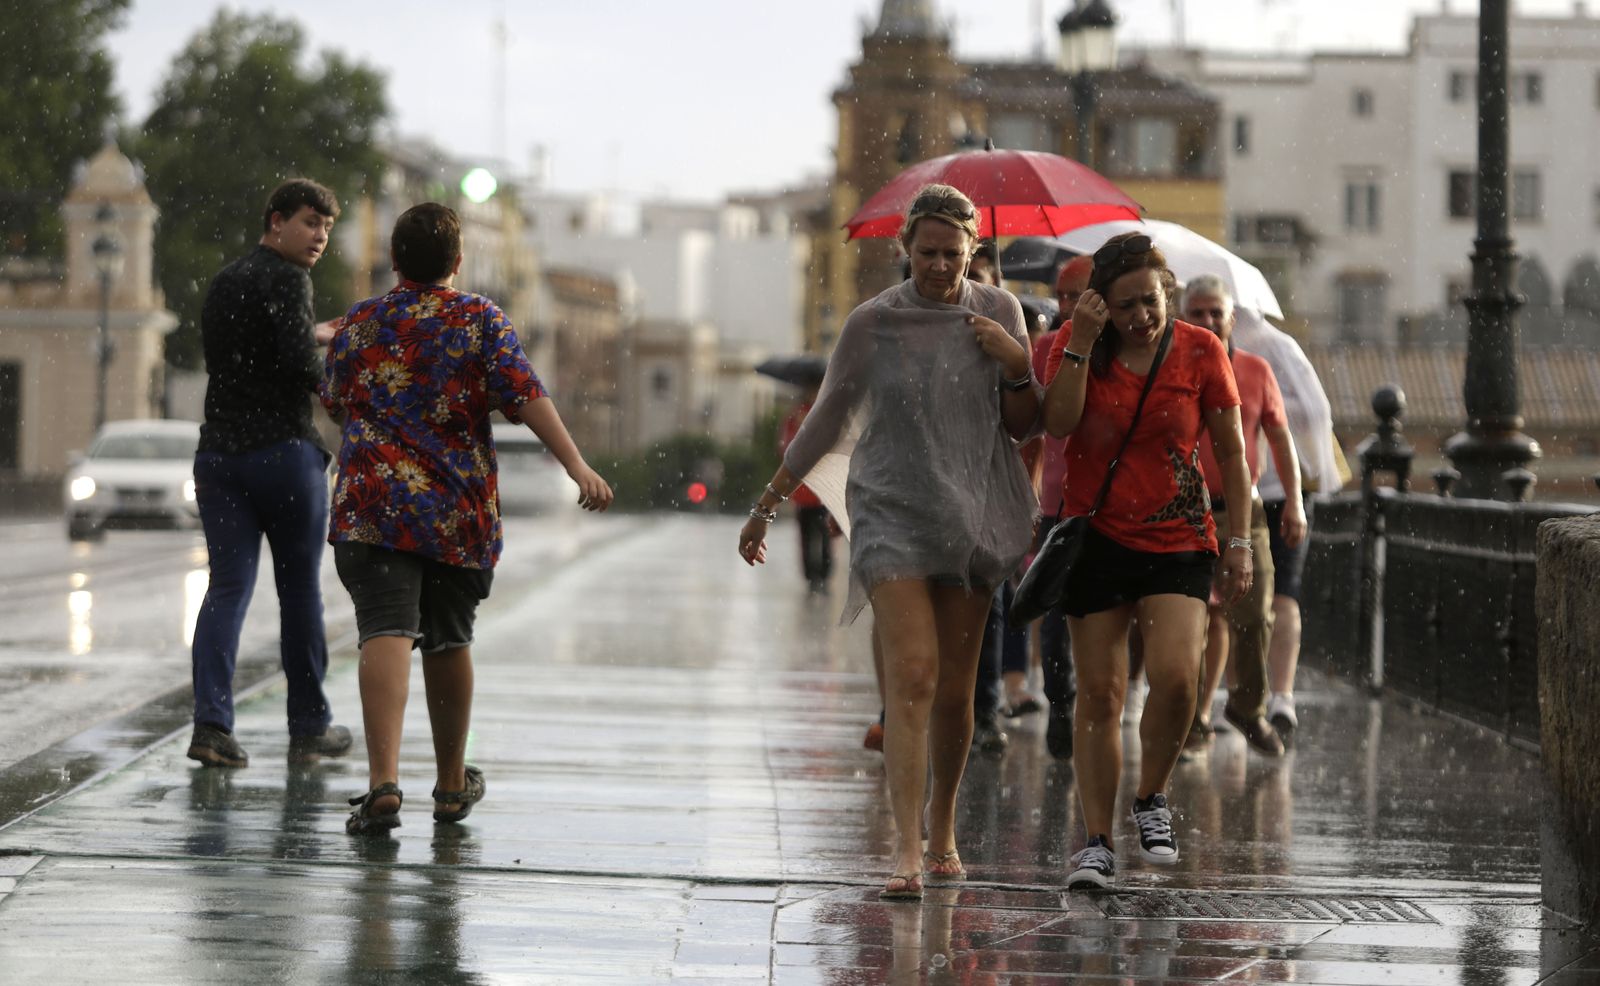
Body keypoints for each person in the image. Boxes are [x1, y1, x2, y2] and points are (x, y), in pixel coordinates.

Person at [739, 184, 1040, 900]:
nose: (939, 266)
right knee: (912, 674)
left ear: (975, 251)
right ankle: (905, 847)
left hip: (972, 509)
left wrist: (1015, 360)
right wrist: (768, 503)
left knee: (958, 689)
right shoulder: (871, 323)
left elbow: (1030, 424)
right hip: (890, 509)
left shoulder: (1000, 311)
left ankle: (942, 828)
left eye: (952, 253)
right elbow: (825, 418)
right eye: (926, 252)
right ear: (903, 249)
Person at [324, 203, 613, 834]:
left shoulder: (361, 322)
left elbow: (336, 400)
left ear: (394, 259)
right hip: (454, 508)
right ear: (458, 262)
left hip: (372, 502)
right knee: (449, 637)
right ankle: (452, 784)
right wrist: (576, 464)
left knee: (384, 631)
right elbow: (526, 394)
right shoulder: (480, 318)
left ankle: (383, 782)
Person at [1042, 232, 1254, 890]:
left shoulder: (1200, 349)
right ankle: (1097, 842)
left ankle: (1151, 797)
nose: (1143, 315)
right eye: (1126, 304)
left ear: (1169, 293)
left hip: (1178, 536)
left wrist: (1241, 539)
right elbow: (1057, 423)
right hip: (1096, 536)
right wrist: (1078, 342)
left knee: (1178, 680)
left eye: (1153, 299)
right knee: (1101, 694)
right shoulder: (1076, 348)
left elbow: (1235, 451)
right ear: (1103, 306)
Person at [187, 178, 351, 769]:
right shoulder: (290, 279)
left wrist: (312, 331)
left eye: (327, 228)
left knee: (226, 588)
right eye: (310, 223)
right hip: (282, 455)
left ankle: (211, 725)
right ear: (276, 220)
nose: (319, 237)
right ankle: (309, 728)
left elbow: (243, 355)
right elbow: (297, 367)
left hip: (220, 458)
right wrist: (339, 390)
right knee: (299, 590)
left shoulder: (228, 279)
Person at [1184, 275, 1307, 757]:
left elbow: (1280, 439)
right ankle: (1192, 724)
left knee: (1254, 613)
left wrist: (1294, 502)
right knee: (1191, 619)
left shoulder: (1256, 370)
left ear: (1232, 318)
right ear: (1183, 315)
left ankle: (1247, 707)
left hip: (1243, 510)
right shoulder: (1172, 369)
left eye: (1217, 312)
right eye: (1199, 312)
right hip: (1185, 511)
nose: (1209, 321)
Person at [1231, 306, 1342, 744]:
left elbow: (1310, 412)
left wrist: (1261, 404)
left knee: (1263, 595)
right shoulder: (1272, 348)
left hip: (1274, 489)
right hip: (1258, 489)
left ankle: (1274, 695)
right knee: (1267, 595)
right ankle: (1270, 696)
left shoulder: (1271, 350)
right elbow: (1315, 412)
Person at [1032, 255, 1092, 759]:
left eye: (1079, 295)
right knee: (1053, 613)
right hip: (1055, 503)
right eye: (1062, 296)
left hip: (1113, 508)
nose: (1068, 306)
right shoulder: (1044, 350)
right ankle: (1061, 701)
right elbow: (1026, 429)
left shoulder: (1124, 352)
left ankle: (1100, 700)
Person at [778, 385, 833, 594]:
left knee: (825, 536)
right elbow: (786, 450)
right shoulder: (795, 416)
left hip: (822, 490)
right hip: (803, 490)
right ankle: (812, 576)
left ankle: (823, 574)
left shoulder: (826, 414)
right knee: (807, 535)